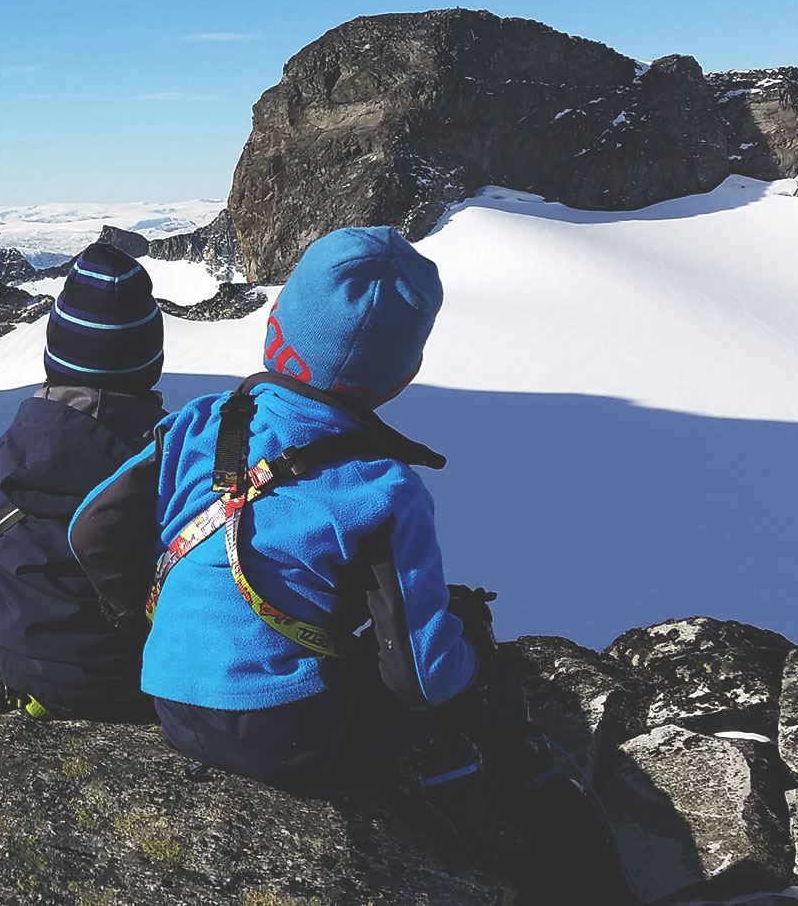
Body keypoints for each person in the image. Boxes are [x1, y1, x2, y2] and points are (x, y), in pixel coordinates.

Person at [68, 226, 633, 904]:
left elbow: (94, 527)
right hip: (282, 731)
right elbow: (419, 672)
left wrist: (154, 620)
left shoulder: (201, 421)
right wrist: (476, 665)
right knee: (437, 731)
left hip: (167, 696)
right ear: (405, 374)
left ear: (274, 328)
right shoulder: (383, 487)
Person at [0, 242, 167, 721]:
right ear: (150, 365)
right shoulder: (169, 459)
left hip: (18, 673)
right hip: (132, 682)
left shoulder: (8, 455)